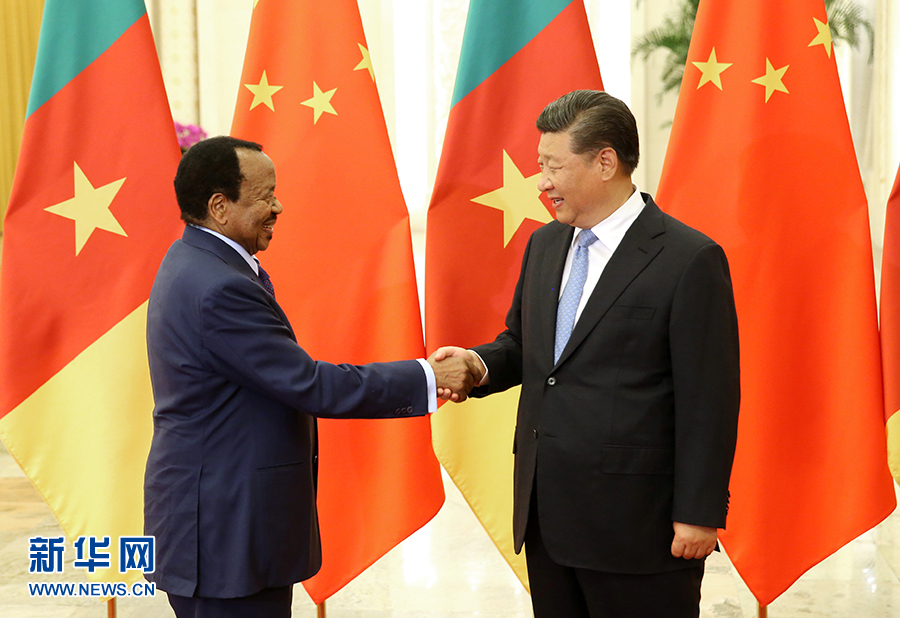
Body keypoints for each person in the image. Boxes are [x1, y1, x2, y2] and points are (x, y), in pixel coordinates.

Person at [435, 90, 740, 618]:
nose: (542, 182)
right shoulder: (546, 245)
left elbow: (708, 400)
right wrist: (477, 365)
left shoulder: (688, 259)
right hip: (547, 516)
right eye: (540, 165)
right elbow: (527, 346)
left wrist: (699, 512)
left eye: (553, 166)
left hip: (638, 529)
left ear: (605, 162)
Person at [144, 135, 475, 618]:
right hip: (224, 533)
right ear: (219, 206)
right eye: (265, 196)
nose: (278, 207)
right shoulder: (219, 287)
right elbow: (312, 386)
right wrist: (429, 376)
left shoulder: (195, 261)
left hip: (221, 523)